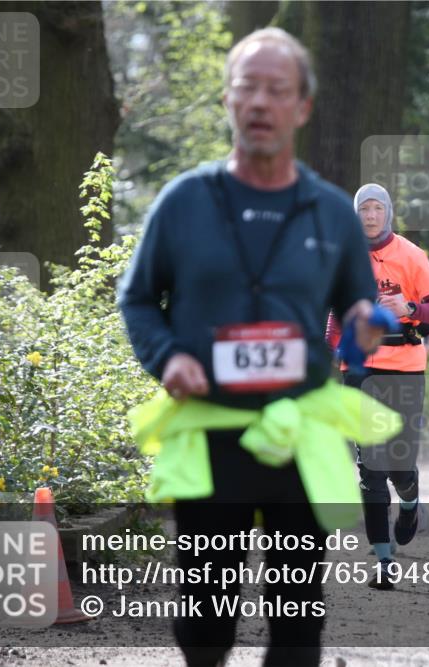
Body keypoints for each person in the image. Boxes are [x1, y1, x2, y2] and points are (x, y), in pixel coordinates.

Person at [118, 28, 391, 667]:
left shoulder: (329, 212)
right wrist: (167, 358)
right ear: (227, 100)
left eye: (278, 90)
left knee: (298, 620)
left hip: (301, 430)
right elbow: (136, 300)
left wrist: (364, 323)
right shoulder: (184, 202)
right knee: (205, 617)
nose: (261, 102)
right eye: (248, 88)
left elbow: (358, 309)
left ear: (302, 108)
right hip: (210, 432)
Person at [327, 183, 429, 590]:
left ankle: (410, 501)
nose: (370, 215)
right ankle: (383, 561)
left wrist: (411, 309)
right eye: (364, 208)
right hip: (359, 371)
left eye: (377, 208)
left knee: (398, 463)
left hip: (405, 368)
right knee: (369, 467)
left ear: (388, 213)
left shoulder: (411, 255)